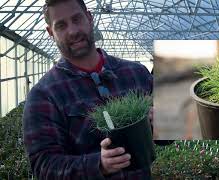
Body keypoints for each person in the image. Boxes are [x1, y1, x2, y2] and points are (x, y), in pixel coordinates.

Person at [22, 0, 153, 179]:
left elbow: (167, 137)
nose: (73, 31)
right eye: (61, 25)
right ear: (50, 32)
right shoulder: (44, 95)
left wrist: (162, 124)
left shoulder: (136, 73)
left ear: (89, 18)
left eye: (77, 19)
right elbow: (43, 166)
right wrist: (99, 165)